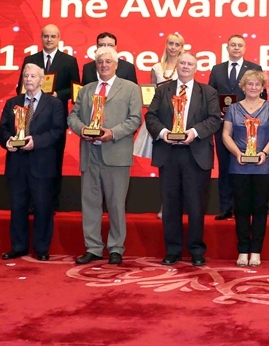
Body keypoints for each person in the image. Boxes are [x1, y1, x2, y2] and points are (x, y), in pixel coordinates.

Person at [145, 52, 221, 267]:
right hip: (168, 153)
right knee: (170, 206)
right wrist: (163, 133)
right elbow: (151, 116)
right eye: (183, 63)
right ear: (177, 66)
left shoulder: (208, 92)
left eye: (190, 64)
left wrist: (194, 133)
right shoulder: (163, 90)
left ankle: (196, 250)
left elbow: (214, 119)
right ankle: (173, 250)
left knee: (196, 206)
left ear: (196, 68)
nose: (186, 67)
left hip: (196, 154)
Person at [67, 47, 142, 266]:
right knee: (90, 203)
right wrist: (82, 129)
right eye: (100, 62)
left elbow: (135, 119)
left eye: (108, 62)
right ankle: (93, 248)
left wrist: (113, 133)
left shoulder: (130, 88)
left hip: (116, 153)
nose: (104, 65)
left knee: (116, 204)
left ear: (116, 65)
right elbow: (72, 117)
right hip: (89, 154)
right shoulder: (86, 90)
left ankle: (116, 248)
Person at [0, 63, 66, 261]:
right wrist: (7, 141)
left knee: (43, 208)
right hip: (16, 164)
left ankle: (41, 248)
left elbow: (57, 131)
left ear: (42, 80)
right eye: (25, 76)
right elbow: (2, 130)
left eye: (33, 76)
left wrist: (35, 141)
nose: (28, 79)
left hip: (42, 164)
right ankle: (18, 247)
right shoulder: (12, 103)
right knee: (18, 207)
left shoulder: (54, 104)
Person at [221, 70, 269, 267]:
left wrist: (264, 153)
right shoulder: (233, 108)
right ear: (243, 87)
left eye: (257, 84)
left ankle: (256, 250)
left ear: (263, 87)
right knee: (241, 208)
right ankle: (242, 250)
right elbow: (226, 134)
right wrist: (237, 153)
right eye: (250, 84)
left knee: (260, 208)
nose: (253, 87)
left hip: (264, 167)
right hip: (238, 166)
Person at [16, 24, 80, 209]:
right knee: (29, 161)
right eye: (46, 36)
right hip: (31, 118)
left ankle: (51, 203)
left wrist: (56, 95)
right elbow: (20, 88)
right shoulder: (31, 59)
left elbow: (76, 89)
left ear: (59, 38)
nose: (49, 39)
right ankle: (30, 203)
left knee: (54, 161)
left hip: (55, 119)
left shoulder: (69, 61)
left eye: (53, 36)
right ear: (41, 38)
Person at [209, 34, 265, 221]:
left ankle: (245, 207)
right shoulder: (217, 69)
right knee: (225, 166)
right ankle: (226, 207)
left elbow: (262, 97)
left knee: (247, 165)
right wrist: (216, 113)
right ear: (227, 47)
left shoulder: (255, 68)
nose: (236, 48)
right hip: (223, 125)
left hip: (248, 126)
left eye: (240, 45)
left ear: (245, 48)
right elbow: (210, 96)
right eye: (233, 44)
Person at [132, 33, 184, 219]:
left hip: (180, 120)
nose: (173, 47)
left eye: (177, 44)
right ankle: (165, 206)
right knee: (165, 166)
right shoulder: (156, 67)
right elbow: (151, 94)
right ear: (166, 45)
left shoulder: (184, 66)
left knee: (178, 166)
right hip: (161, 122)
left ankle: (176, 206)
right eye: (171, 43)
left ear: (181, 47)